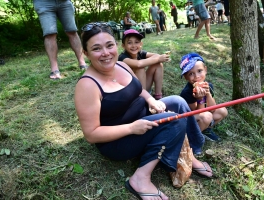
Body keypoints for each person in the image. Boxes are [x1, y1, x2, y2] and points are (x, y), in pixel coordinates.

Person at [75, 22, 214, 200]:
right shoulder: (87, 85)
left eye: (109, 45)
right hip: (119, 139)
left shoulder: (121, 66)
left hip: (142, 117)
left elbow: (139, 89)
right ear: (86, 54)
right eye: (96, 48)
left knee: (178, 102)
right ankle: (140, 178)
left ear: (116, 45)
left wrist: (151, 100)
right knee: (174, 120)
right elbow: (91, 134)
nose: (106, 53)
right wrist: (131, 128)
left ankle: (190, 153)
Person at [33, 0, 87, 80]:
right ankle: (54, 69)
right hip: (43, 3)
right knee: (50, 34)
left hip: (64, 2)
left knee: (72, 31)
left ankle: (82, 63)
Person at [180, 53, 228, 142]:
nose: (197, 76)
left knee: (222, 110)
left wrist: (208, 93)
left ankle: (205, 130)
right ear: (186, 77)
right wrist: (200, 99)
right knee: (207, 117)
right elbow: (199, 114)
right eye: (191, 74)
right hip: (191, 121)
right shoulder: (186, 93)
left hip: (205, 114)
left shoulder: (208, 86)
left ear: (205, 70)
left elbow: (213, 108)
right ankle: (192, 138)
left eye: (199, 71)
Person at [118, 29, 169, 100]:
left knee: (158, 65)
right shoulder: (123, 57)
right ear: (123, 46)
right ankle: (145, 100)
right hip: (131, 91)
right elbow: (138, 64)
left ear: (141, 44)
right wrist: (157, 59)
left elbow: (156, 55)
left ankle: (158, 96)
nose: (133, 46)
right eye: (129, 43)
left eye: (136, 42)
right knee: (140, 69)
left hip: (143, 87)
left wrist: (158, 59)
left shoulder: (140, 53)